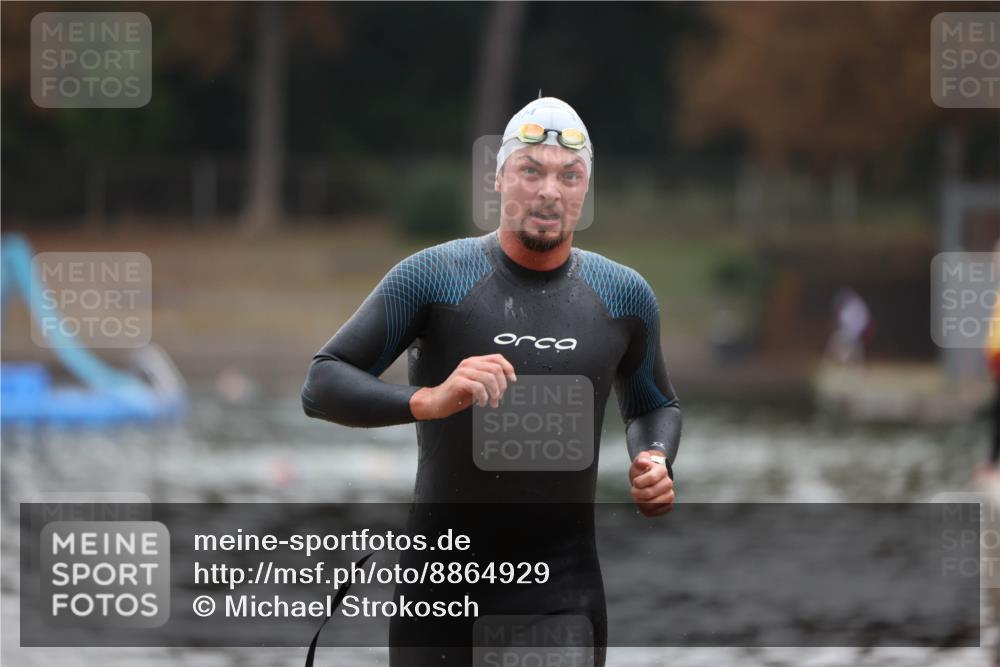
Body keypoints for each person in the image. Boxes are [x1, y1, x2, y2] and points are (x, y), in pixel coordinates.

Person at [302, 96, 681, 666]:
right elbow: (323, 383)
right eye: (531, 170)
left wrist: (653, 458)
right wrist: (427, 400)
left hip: (562, 594)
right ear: (499, 178)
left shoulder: (623, 296)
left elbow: (655, 405)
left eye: (569, 175)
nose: (549, 190)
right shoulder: (434, 277)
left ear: (585, 190)